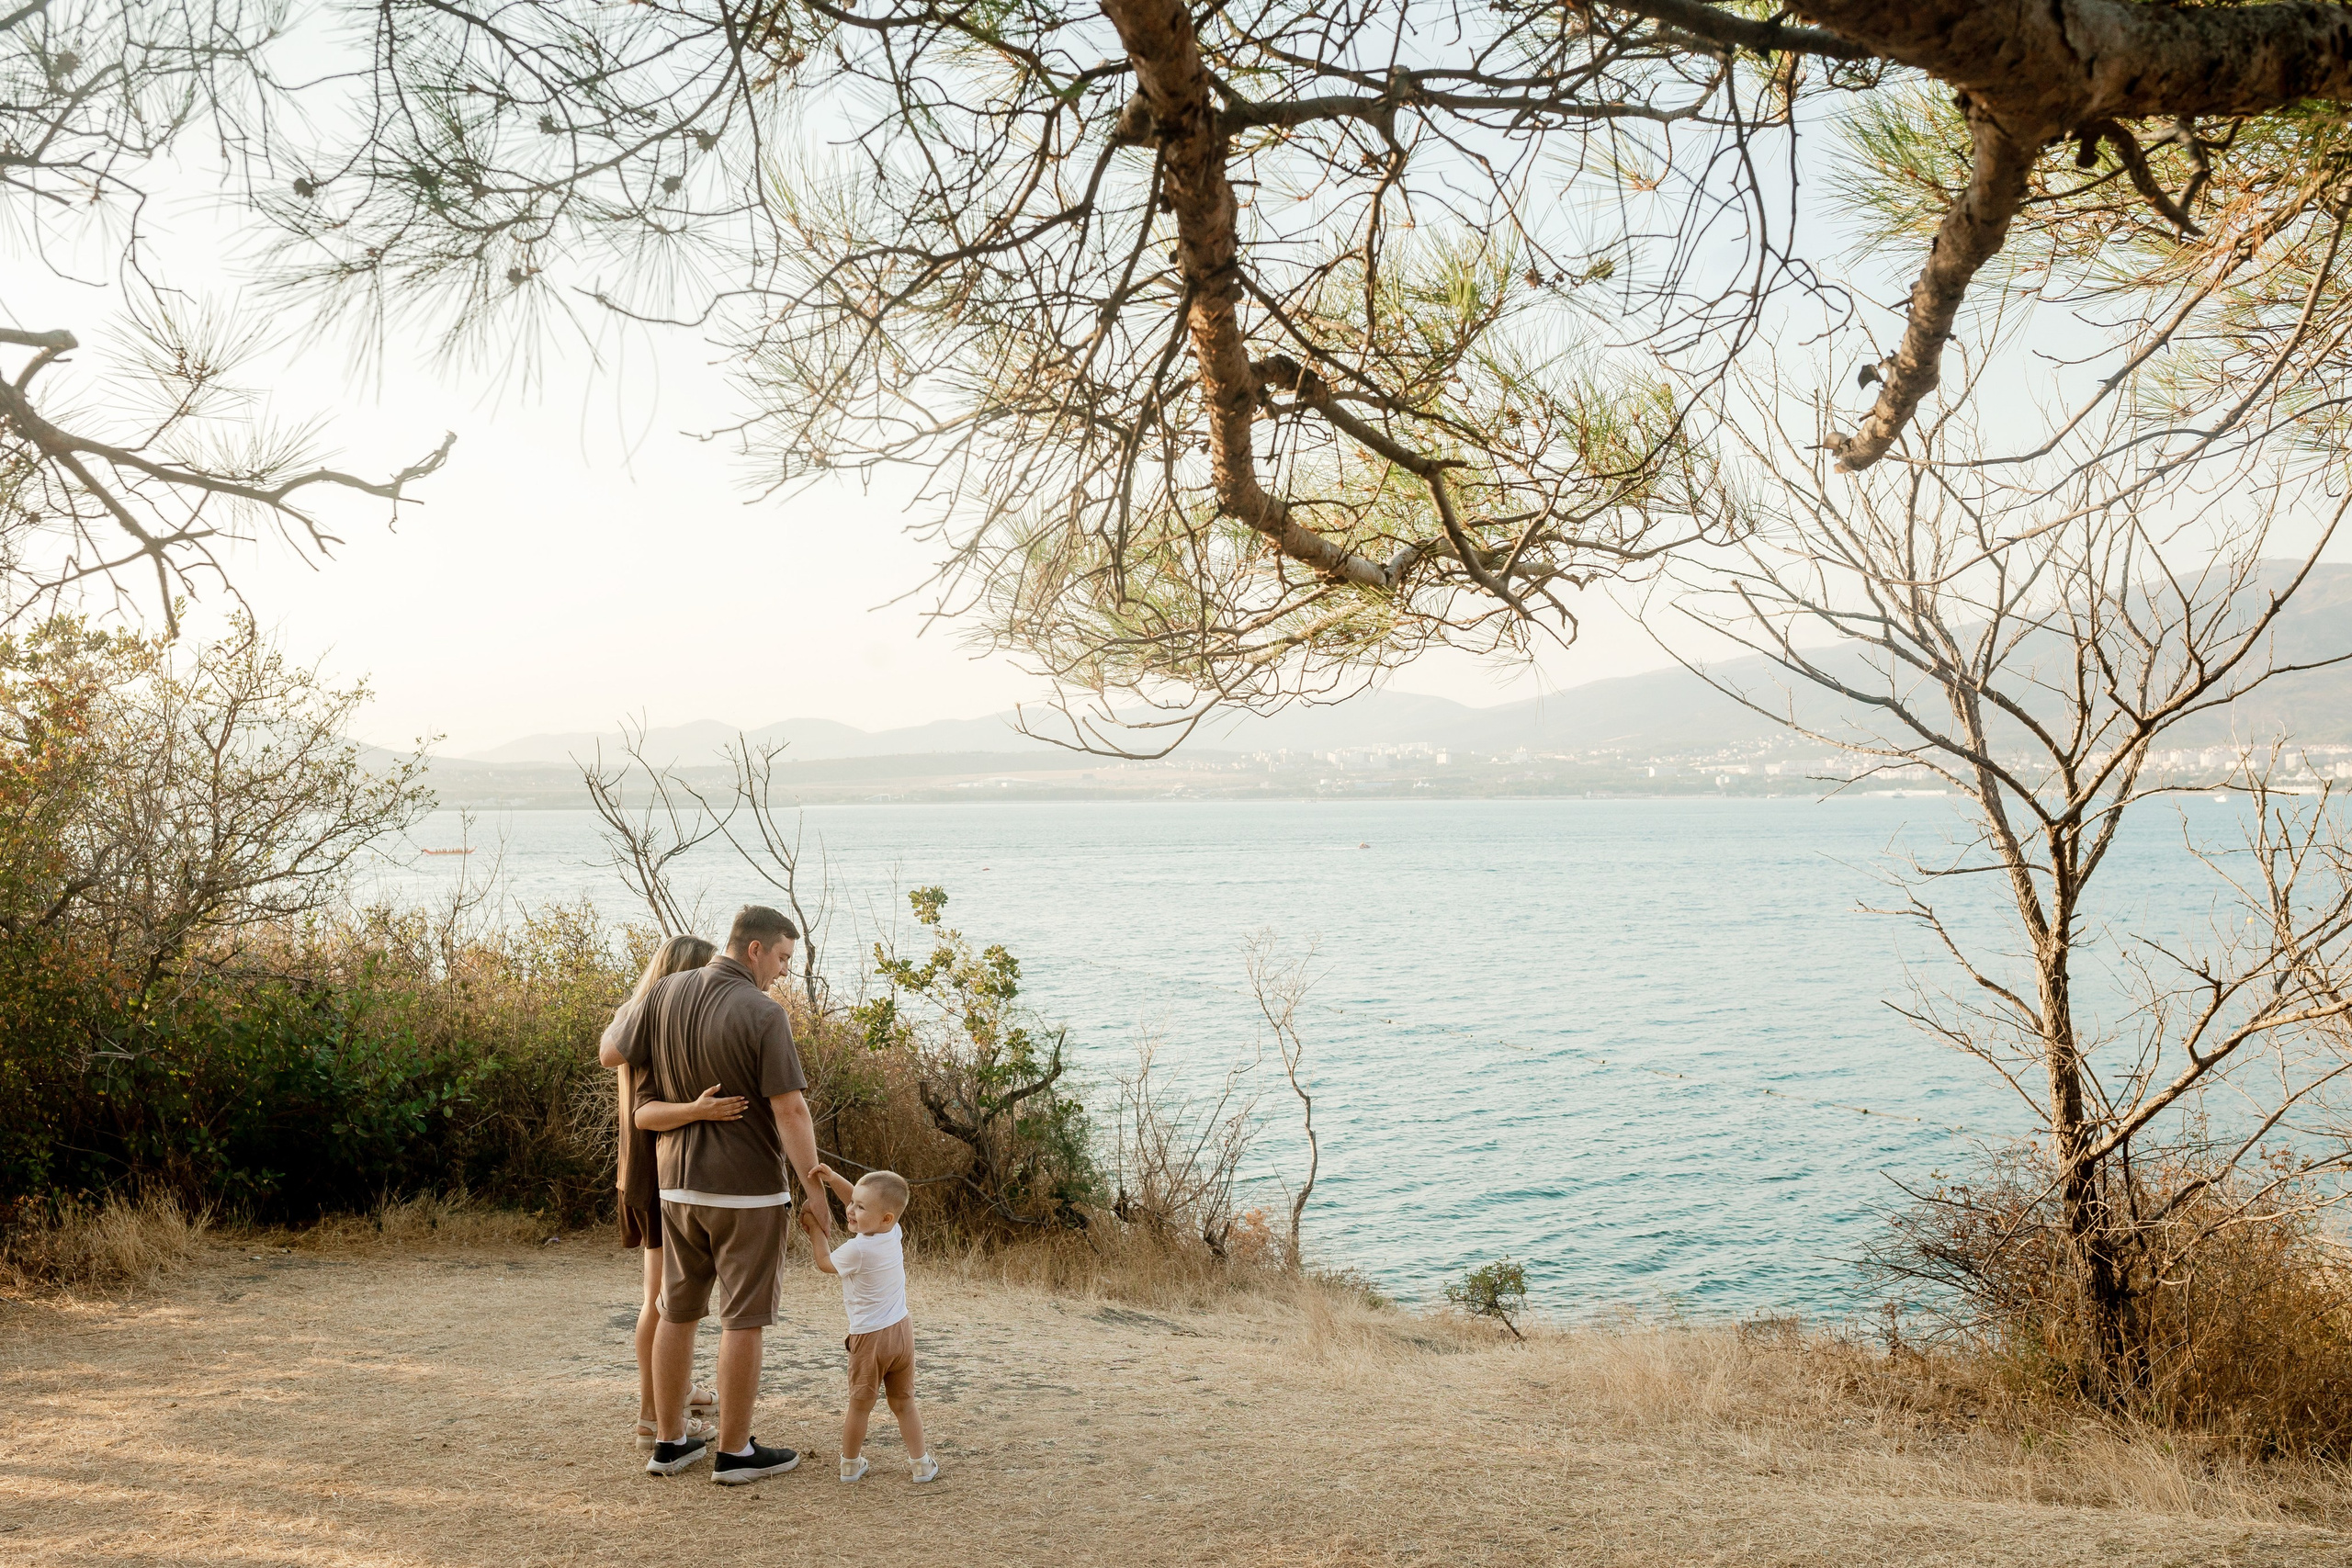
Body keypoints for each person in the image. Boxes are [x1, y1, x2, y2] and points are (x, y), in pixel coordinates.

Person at [616, 905, 830, 1484]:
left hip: (676, 1188)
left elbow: (623, 1065)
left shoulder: (663, 994)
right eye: (783, 957)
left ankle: (670, 1442)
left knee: (674, 1311)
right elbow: (790, 1108)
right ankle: (734, 1452)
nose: (784, 971)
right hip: (746, 1194)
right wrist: (816, 1191)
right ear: (754, 949)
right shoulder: (763, 1013)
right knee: (743, 1320)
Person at [596, 933, 723, 1451]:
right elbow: (612, 1060)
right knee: (661, 1301)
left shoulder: (636, 1012)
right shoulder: (660, 1017)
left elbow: (607, 1053)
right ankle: (652, 1417)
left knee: (662, 1297)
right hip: (656, 1171)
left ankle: (674, 1394)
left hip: (638, 1171)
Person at [801, 1163, 937, 1483]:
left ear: (884, 1217)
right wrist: (834, 1180)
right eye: (852, 1203)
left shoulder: (857, 1249)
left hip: (869, 1339)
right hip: (901, 1332)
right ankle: (921, 1464)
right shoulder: (892, 1230)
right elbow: (866, 1202)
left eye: (858, 1208)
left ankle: (850, 1465)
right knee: (904, 1402)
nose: (850, 1209)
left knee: (860, 1405)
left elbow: (824, 1263)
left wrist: (815, 1228)